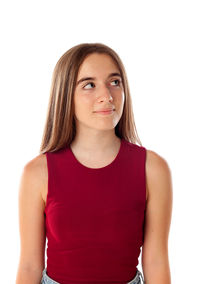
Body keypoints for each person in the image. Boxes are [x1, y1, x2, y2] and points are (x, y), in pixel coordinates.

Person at [16, 43, 173, 284]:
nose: (107, 96)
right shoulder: (37, 172)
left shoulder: (152, 169)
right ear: (66, 94)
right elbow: (29, 265)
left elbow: (156, 261)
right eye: (89, 85)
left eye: (115, 82)